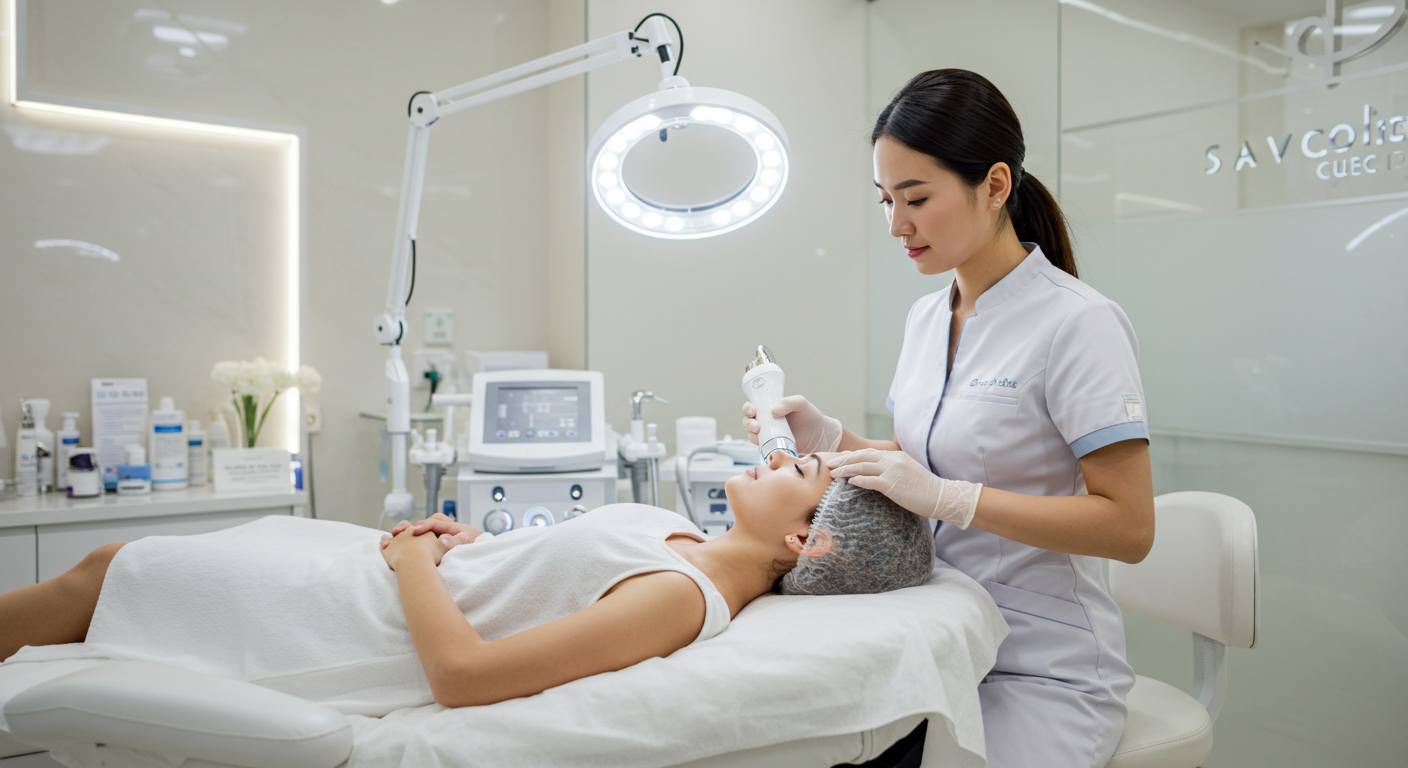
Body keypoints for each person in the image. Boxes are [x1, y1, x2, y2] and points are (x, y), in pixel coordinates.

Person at [743, 69, 1154, 767]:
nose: (897, 224)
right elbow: (922, 464)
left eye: (917, 198)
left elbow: (1129, 526)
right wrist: (831, 437)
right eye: (885, 200)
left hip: (1040, 665)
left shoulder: (1077, 323)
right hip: (936, 635)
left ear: (995, 186)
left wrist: (951, 501)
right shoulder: (927, 318)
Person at [0, 451, 932, 713]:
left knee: (111, 570)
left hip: (362, 623)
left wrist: (413, 562)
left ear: (807, 541)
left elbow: (465, 679)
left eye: (802, 470)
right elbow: (552, 577)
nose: (780, 452)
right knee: (109, 574)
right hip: (404, 574)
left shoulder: (680, 600)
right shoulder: (682, 536)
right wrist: (473, 545)